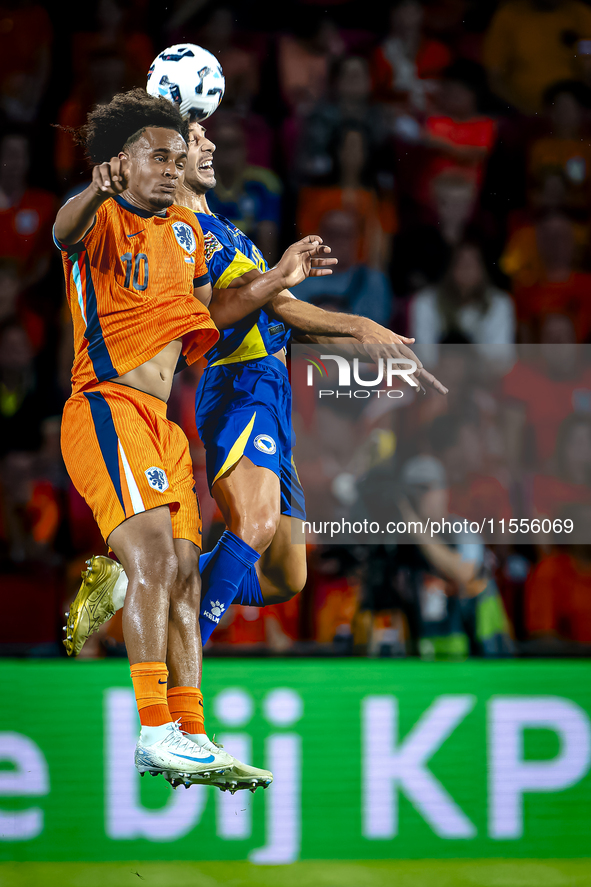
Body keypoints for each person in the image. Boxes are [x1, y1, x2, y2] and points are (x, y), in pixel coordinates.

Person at [66, 114, 447, 661]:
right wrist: (357, 325)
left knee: (286, 576)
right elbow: (221, 314)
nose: (209, 146)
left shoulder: (225, 228)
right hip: (240, 386)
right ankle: (180, 672)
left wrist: (371, 346)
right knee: (255, 522)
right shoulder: (180, 230)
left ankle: (130, 589)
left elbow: (282, 310)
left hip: (273, 390)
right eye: (194, 142)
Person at [56, 88, 335, 791]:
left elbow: (216, 310)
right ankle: (153, 731)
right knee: (159, 558)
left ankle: (188, 729)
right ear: (122, 162)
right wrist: (94, 189)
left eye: (180, 159)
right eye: (159, 157)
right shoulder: (104, 214)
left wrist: (276, 278)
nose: (173, 170)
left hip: (164, 425)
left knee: (183, 570)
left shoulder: (185, 234)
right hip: (107, 405)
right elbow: (63, 233)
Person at [483, 0, 591, 114]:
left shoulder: (580, 14)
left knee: (565, 100)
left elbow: (588, 65)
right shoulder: (509, 15)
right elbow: (495, 76)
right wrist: (523, 112)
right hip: (521, 112)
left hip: (573, 107)